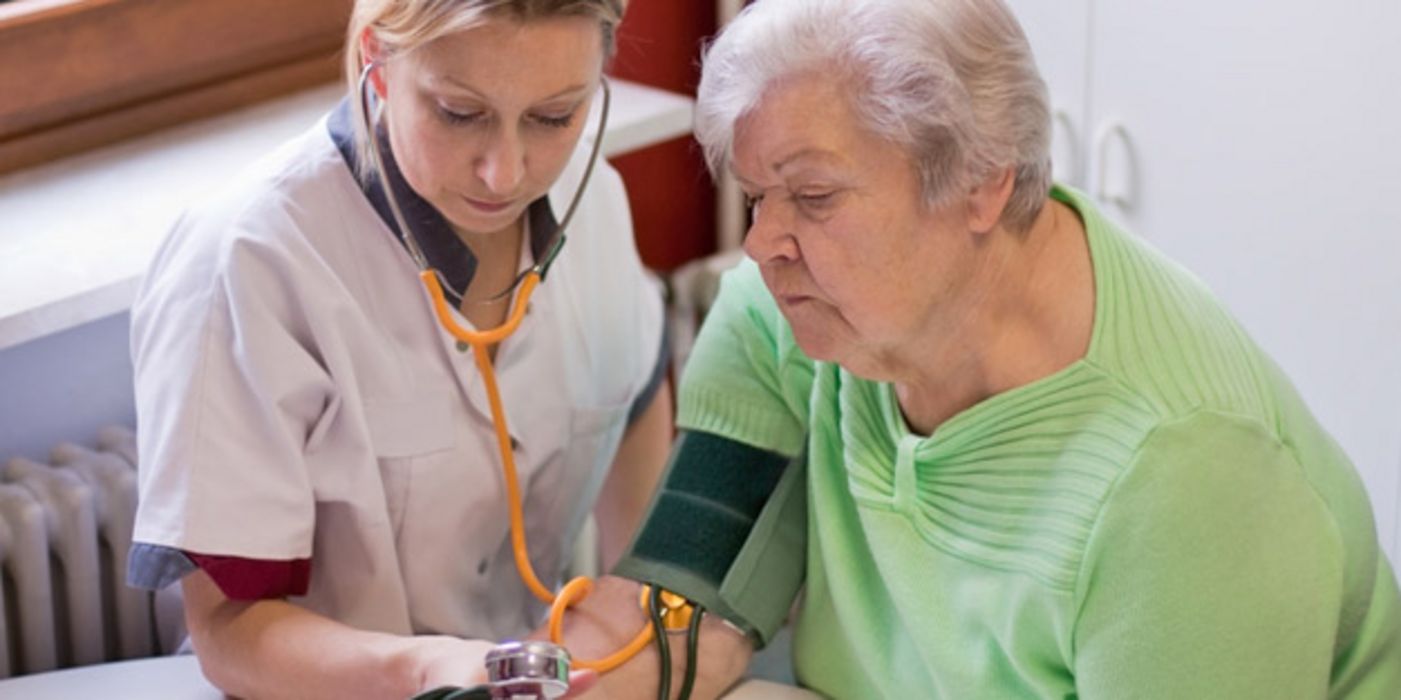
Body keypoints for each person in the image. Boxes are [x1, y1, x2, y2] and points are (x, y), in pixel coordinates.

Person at [551, 0, 1401, 697]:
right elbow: (677, 608)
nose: (762, 242)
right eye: (756, 194)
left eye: (812, 195)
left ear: (981, 180)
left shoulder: (1182, 479)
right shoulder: (789, 310)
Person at [125, 1, 673, 698]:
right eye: (458, 112)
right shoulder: (247, 261)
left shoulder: (593, 201)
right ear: (376, 62)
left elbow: (636, 390)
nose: (504, 173)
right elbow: (229, 628)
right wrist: (432, 671)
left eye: (553, 116)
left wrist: (630, 610)